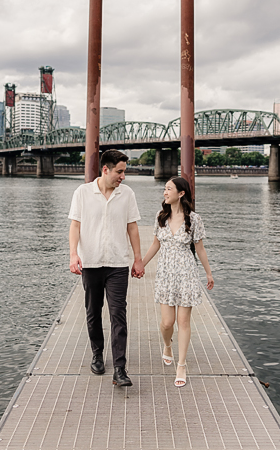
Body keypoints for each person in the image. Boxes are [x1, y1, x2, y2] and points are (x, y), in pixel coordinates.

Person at [68, 149, 144, 387]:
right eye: (119, 172)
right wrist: (73, 255)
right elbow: (75, 226)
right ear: (105, 170)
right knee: (93, 312)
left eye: (124, 172)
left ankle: (120, 368)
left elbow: (132, 227)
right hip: (90, 262)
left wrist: (138, 258)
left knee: (118, 314)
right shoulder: (82, 193)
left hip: (117, 263)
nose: (123, 176)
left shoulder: (127, 194)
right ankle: (97, 354)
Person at [141, 176, 214, 387]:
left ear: (181, 193)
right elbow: (155, 244)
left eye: (168, 189)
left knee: (183, 322)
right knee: (167, 323)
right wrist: (141, 264)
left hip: (186, 274)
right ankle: (167, 345)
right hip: (165, 275)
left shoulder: (194, 219)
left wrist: (208, 273)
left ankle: (181, 365)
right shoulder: (160, 216)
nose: (165, 192)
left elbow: (199, 249)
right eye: (164, 189)